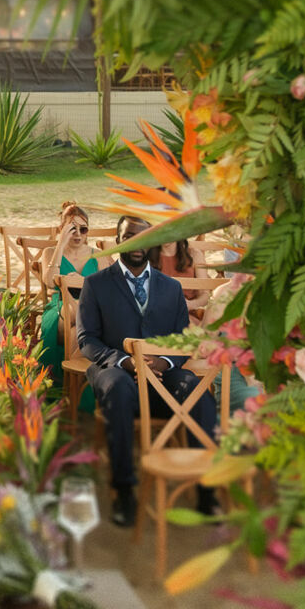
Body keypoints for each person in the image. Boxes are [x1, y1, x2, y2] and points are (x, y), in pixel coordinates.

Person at [78, 214, 219, 527]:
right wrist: (126, 362)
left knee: (197, 392)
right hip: (115, 372)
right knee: (120, 388)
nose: (138, 243)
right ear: (118, 241)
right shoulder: (96, 284)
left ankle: (207, 489)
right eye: (130, 236)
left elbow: (183, 338)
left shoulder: (171, 288)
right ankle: (124, 490)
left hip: (163, 375)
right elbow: (86, 340)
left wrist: (165, 362)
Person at [36, 202, 99, 413]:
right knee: (76, 317)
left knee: (75, 332)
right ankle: (75, 397)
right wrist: (61, 244)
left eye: (84, 229)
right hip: (60, 306)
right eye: (73, 229)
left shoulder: (99, 254)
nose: (78, 234)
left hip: (90, 307)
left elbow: (110, 287)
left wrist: (82, 283)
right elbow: (48, 280)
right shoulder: (50, 252)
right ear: (62, 230)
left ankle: (68, 395)